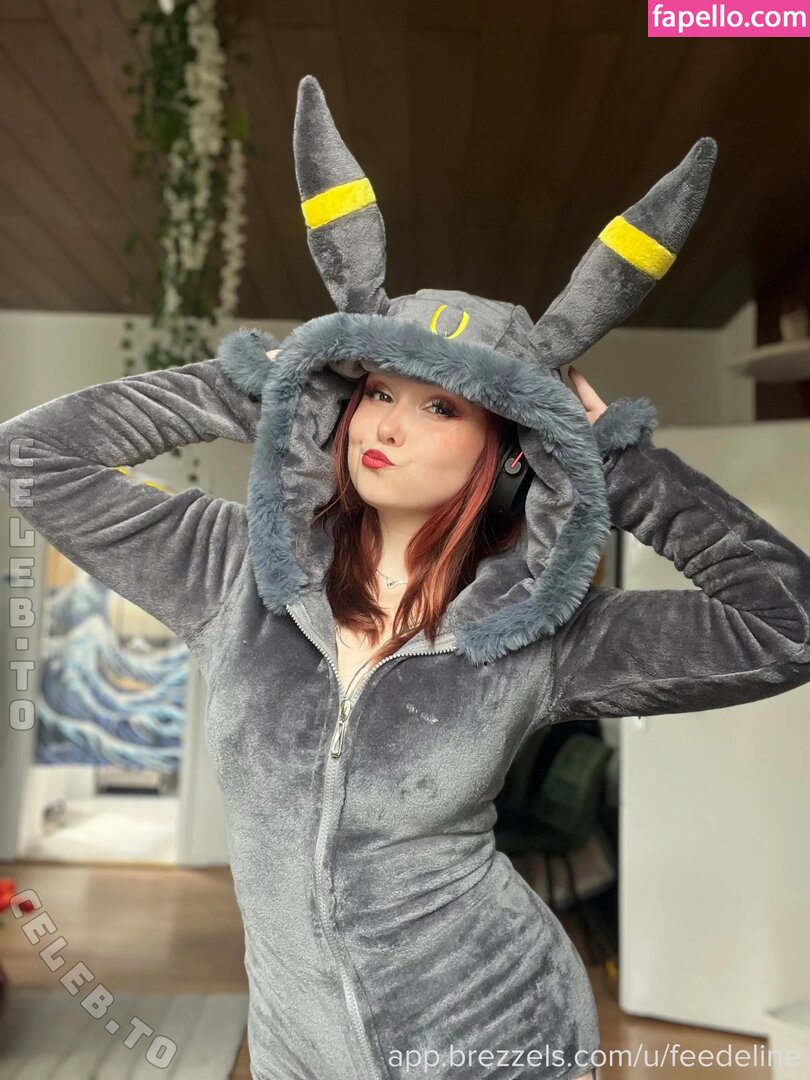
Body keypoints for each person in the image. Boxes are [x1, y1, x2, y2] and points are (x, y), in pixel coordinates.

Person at [2, 73, 809, 1080]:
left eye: (440, 407)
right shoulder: (233, 567)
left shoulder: (539, 625)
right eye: (378, 389)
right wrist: (263, 391)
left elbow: (786, 625)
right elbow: (34, 458)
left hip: (498, 1035)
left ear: (506, 451)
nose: (385, 423)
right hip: (300, 1047)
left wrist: (621, 467)